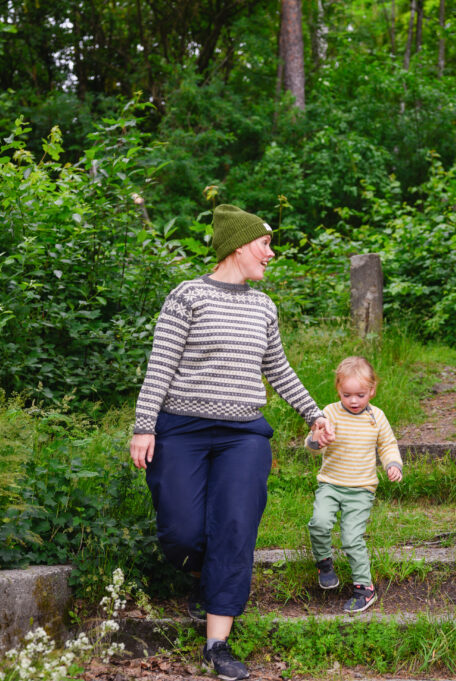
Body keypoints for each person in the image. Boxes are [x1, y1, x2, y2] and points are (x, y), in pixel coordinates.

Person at [129, 203, 334, 681]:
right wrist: (144, 425)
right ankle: (206, 578)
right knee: (181, 533)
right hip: (181, 429)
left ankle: (216, 643)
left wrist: (314, 413)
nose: (272, 253)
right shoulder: (187, 297)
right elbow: (160, 366)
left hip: (243, 435)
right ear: (240, 246)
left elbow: (277, 369)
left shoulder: (263, 306)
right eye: (265, 243)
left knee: (235, 527)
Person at [305, 356, 403, 614]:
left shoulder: (376, 417)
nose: (354, 401)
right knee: (319, 523)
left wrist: (393, 464)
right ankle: (324, 563)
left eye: (360, 394)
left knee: (351, 537)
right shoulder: (329, 413)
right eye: (347, 395)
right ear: (338, 390)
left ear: (372, 390)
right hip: (330, 484)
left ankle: (365, 588)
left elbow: (388, 445)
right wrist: (317, 440)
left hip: (361, 488)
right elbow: (312, 444)